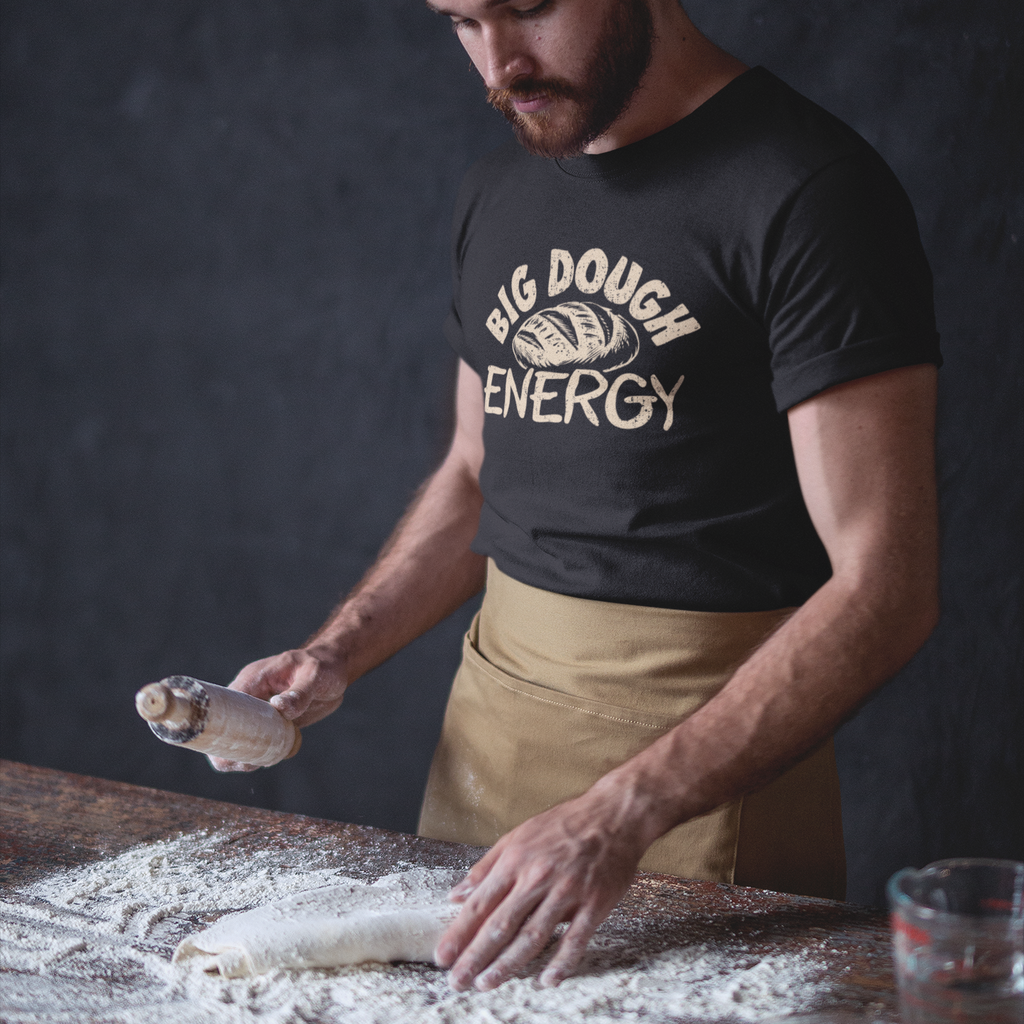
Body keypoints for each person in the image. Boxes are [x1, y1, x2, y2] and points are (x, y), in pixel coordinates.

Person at [212, 0, 940, 995]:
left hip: (694, 793)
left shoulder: (808, 190)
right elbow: (475, 473)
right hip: (488, 752)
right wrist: (339, 650)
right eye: (462, 21)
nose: (497, 64)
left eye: (525, 9)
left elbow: (884, 587)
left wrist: (617, 816)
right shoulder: (499, 185)